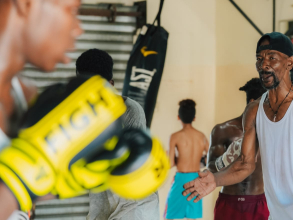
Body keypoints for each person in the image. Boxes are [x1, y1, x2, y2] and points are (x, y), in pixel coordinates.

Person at [183, 32, 293, 220]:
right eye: (259, 59)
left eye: (272, 58)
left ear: (289, 62)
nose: (263, 65)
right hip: (279, 215)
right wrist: (215, 179)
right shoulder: (254, 111)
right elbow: (245, 163)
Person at [0, 0, 82, 219]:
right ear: (26, 3)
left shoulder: (24, 95)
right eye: (72, 9)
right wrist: (18, 184)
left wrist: (68, 179)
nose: (78, 28)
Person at [75, 49, 160, 220]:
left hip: (135, 207)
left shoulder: (130, 111)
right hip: (103, 207)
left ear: (111, 84)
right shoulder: (80, 114)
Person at [208, 78, 268, 220]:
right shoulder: (223, 130)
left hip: (258, 202)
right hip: (229, 202)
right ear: (253, 102)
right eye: (266, 104)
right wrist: (225, 159)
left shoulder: (271, 133)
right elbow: (211, 168)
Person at [164, 99, 209, 220]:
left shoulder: (174, 136)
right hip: (196, 178)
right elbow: (210, 159)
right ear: (194, 117)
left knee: (170, 216)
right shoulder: (202, 136)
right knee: (192, 217)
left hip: (181, 179)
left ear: (178, 117)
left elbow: (170, 163)